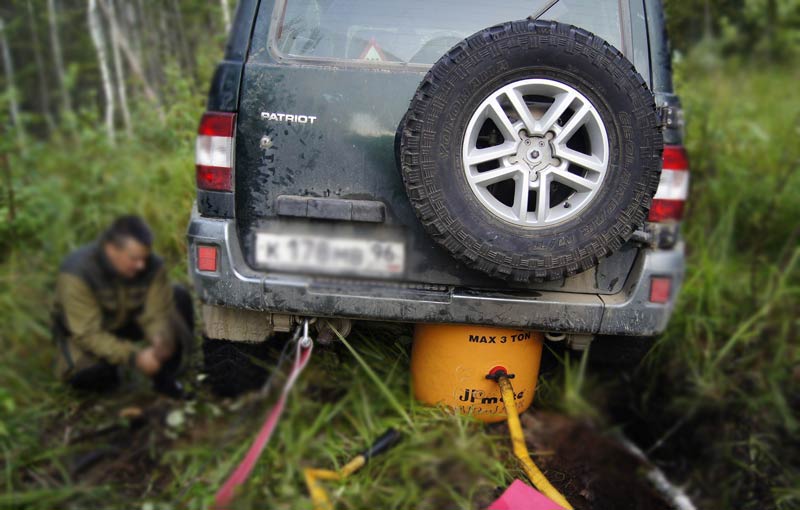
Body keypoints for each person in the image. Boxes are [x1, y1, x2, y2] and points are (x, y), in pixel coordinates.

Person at [51, 215, 194, 397]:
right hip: (90, 331)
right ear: (111, 249)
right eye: (134, 259)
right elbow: (87, 333)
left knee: (178, 296)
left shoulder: (152, 265)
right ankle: (116, 372)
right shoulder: (77, 274)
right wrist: (134, 357)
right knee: (91, 375)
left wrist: (160, 340)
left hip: (130, 319)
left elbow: (157, 311)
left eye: (144, 258)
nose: (141, 265)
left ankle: (169, 374)